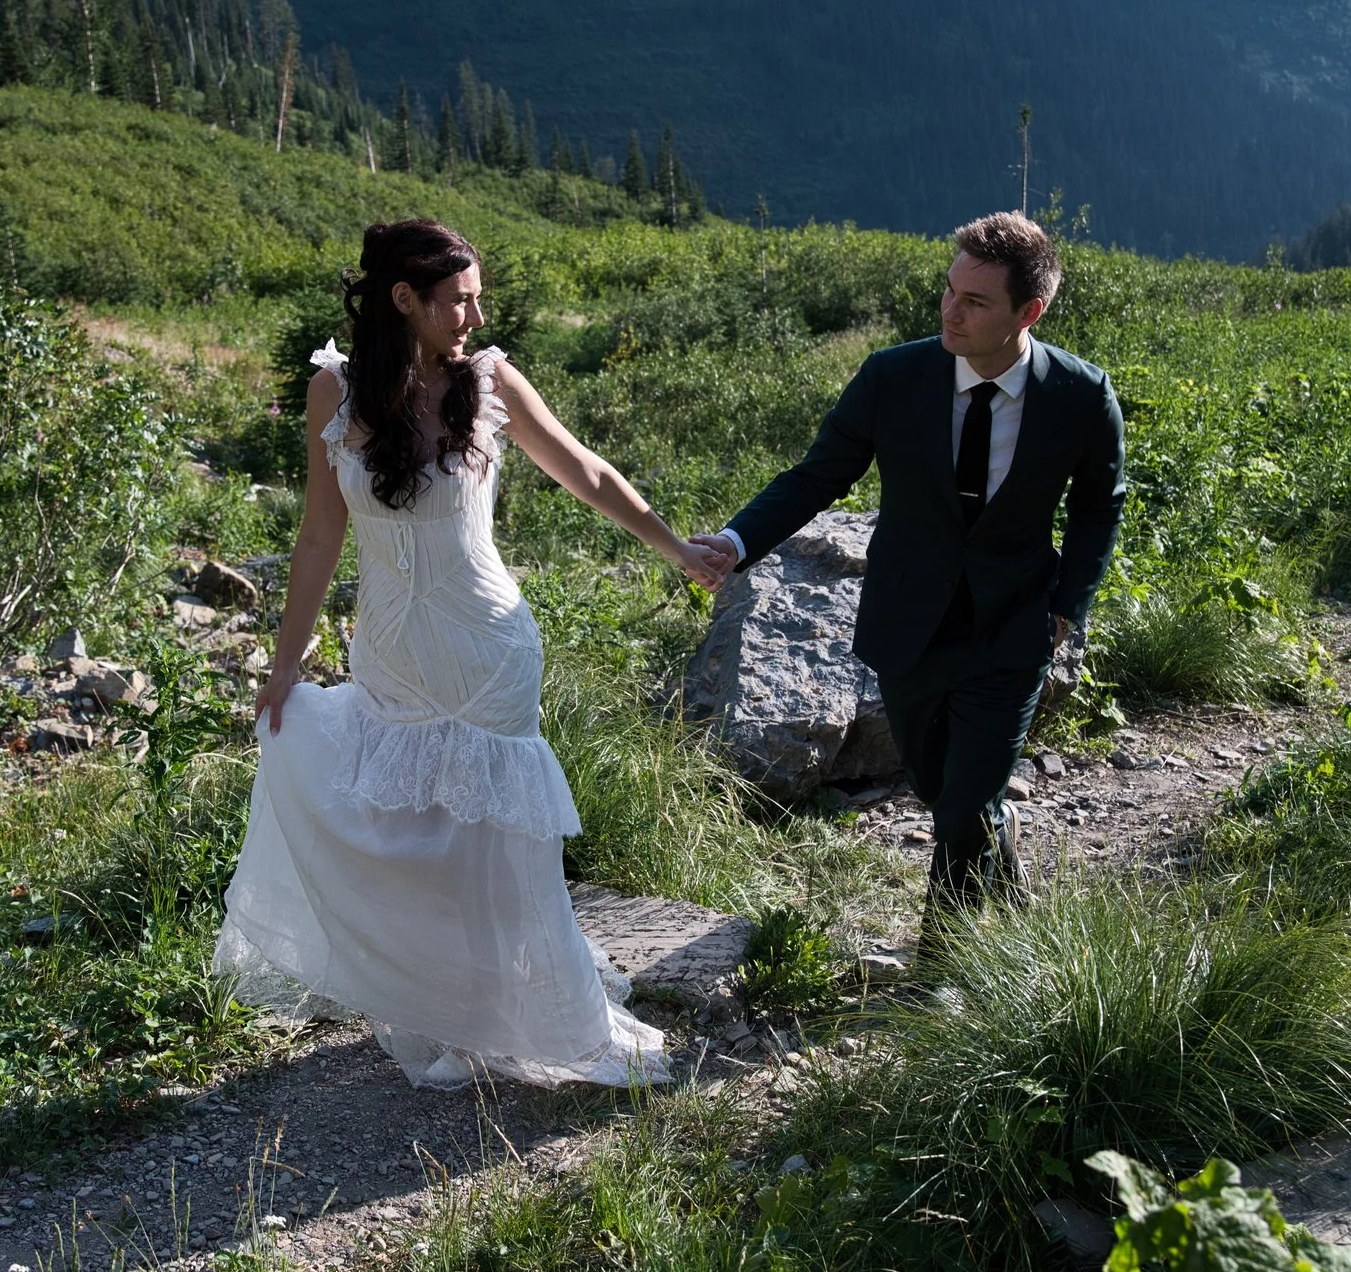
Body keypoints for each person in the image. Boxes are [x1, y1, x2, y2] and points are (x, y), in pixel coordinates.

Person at [213, 219, 730, 1089]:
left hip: (487, 644)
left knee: (496, 840)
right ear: (404, 300)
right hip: (388, 648)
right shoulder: (334, 391)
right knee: (413, 833)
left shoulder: (489, 381)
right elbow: (318, 533)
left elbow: (587, 473)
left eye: (477, 296)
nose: (475, 314)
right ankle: (451, 1010)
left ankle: (539, 1015)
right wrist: (285, 661)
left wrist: (675, 547)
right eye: (459, 299)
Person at [691, 212, 1126, 919]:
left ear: (1030, 311)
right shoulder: (893, 377)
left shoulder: (1081, 396)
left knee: (962, 806)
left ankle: (942, 975)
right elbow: (817, 475)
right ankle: (998, 830)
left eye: (975, 301)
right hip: (907, 623)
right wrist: (737, 543)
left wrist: (1067, 608)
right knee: (940, 787)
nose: (950, 310)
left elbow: (1098, 506)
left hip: (1012, 626)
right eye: (949, 290)